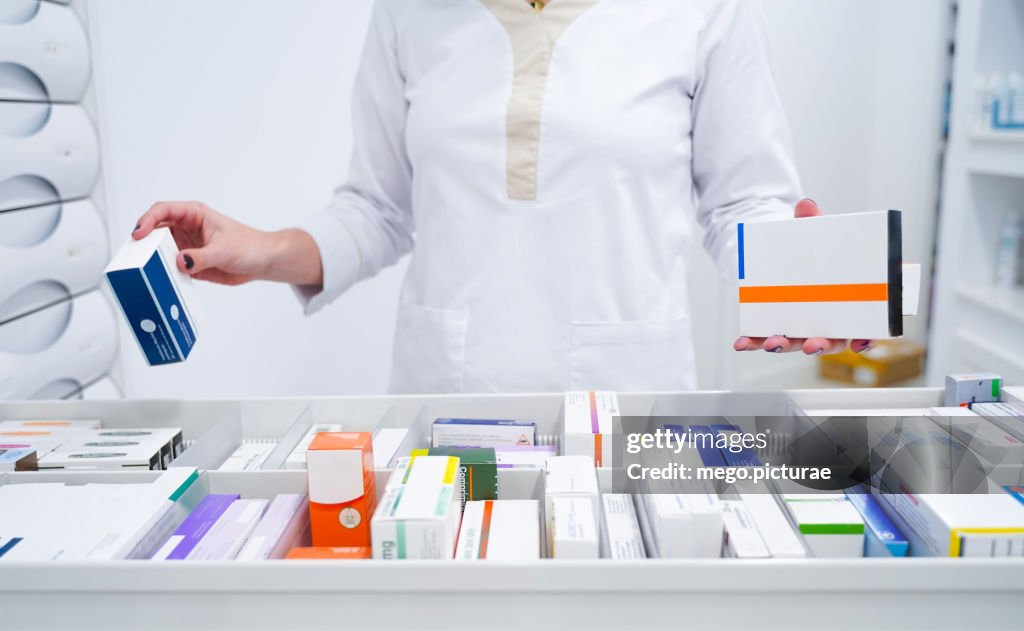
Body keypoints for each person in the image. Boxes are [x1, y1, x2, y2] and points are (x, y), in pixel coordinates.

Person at [132, 0, 872, 393]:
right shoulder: (411, 14)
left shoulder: (705, 9)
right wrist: (260, 250)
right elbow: (379, 208)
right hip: (450, 392)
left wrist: (812, 287)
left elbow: (745, 203)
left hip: (629, 392)